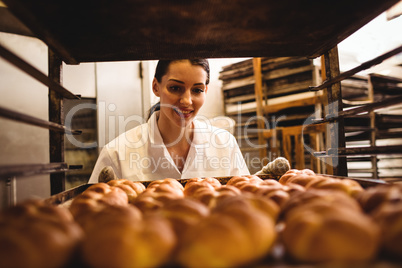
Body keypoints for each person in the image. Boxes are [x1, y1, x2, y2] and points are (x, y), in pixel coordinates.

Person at [89, 59, 250, 183]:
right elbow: (91, 213)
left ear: (205, 91)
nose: (187, 101)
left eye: (197, 90)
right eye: (175, 88)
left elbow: (245, 202)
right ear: (155, 87)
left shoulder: (225, 144)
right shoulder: (116, 154)